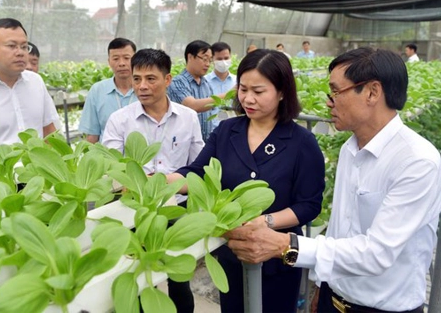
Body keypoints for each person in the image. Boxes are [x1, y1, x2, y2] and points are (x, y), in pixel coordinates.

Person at [226, 47, 441, 313]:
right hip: (333, 300)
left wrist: (285, 244)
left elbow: (377, 253)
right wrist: (322, 287)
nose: (329, 101)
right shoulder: (350, 149)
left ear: (373, 92)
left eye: (336, 92)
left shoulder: (417, 161)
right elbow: (341, 230)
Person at [167, 49, 325, 312]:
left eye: (259, 91)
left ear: (282, 92)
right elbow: (198, 173)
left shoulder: (301, 142)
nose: (248, 98)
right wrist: (163, 182)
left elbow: (309, 205)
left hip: (276, 258)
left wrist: (265, 222)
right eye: (243, 89)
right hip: (232, 252)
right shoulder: (228, 130)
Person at [103, 48, 204, 313]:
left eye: (151, 79)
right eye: (137, 79)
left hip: (176, 210)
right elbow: (112, 169)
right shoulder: (120, 120)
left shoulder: (188, 117)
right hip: (133, 213)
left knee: (179, 279)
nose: (142, 86)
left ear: (168, 80)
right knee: (136, 277)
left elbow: (198, 167)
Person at [0, 18, 59, 152]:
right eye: (11, 46)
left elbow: (49, 130)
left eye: (24, 47)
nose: (20, 52)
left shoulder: (36, 82)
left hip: (36, 171)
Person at [79, 38, 137, 143]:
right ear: (109, 62)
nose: (121, 63)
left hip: (140, 157)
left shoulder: (146, 90)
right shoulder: (97, 91)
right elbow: (92, 136)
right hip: (106, 157)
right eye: (115, 59)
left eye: (127, 58)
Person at [168, 40, 218, 141]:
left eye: (210, 60)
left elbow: (212, 116)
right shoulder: (177, 82)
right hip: (183, 144)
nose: (208, 64)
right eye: (204, 59)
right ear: (190, 57)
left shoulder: (207, 85)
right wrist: (227, 95)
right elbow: (192, 106)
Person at [205, 42, 237, 124]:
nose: (223, 62)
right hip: (211, 130)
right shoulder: (204, 82)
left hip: (233, 128)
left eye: (226, 58)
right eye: (219, 59)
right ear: (212, 59)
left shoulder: (237, 81)